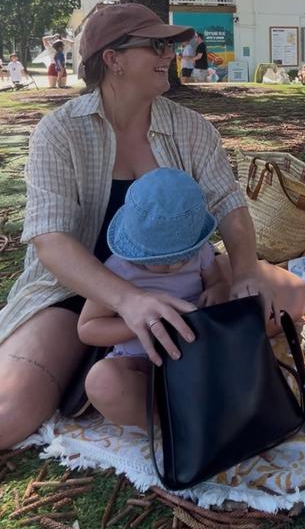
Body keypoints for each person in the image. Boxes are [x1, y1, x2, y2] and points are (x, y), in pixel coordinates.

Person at [0, 2, 305, 449]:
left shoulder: (191, 127)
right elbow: (51, 241)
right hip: (77, 294)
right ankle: (148, 377)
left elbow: (230, 206)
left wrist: (240, 275)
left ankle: (172, 386)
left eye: (170, 44)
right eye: (157, 45)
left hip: (182, 279)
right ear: (113, 59)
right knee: (7, 418)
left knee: (292, 296)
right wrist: (129, 302)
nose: (171, 53)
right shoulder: (59, 132)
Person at [78, 167, 221, 428]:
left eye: (183, 257)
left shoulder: (201, 251)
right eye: (160, 262)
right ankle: (168, 424)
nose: (174, 266)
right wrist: (136, 325)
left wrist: (217, 290)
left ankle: (213, 408)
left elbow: (218, 280)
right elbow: (88, 329)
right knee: (103, 382)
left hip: (200, 355)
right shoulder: (117, 269)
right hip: (144, 363)